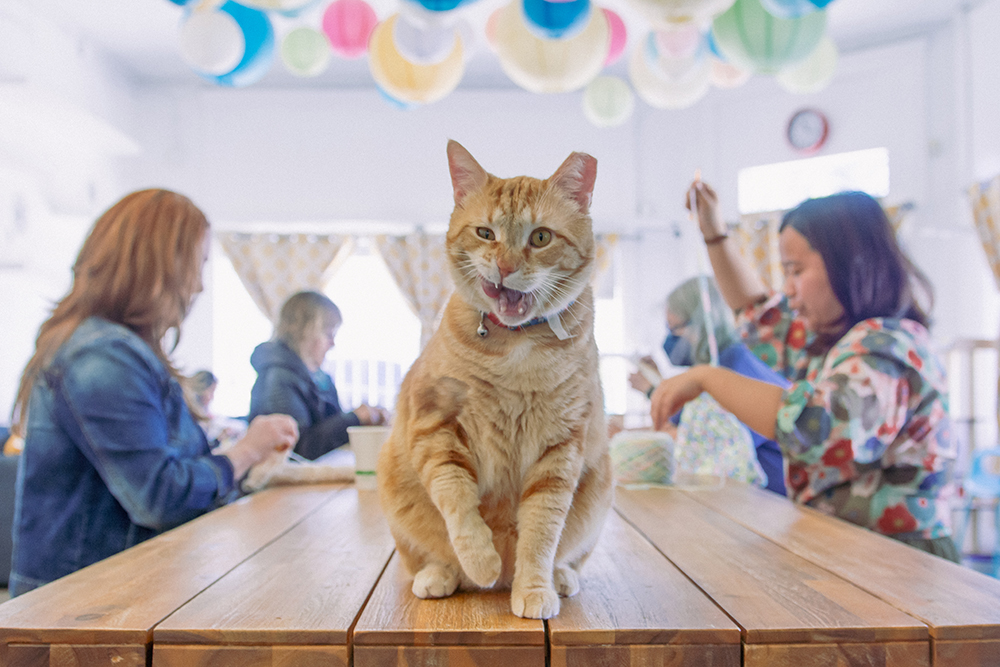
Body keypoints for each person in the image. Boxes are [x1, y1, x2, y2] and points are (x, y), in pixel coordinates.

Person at [9, 189, 299, 597]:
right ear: (161, 265)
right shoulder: (102, 356)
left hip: (100, 597)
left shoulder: (114, 349)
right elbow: (158, 497)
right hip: (81, 610)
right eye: (196, 265)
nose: (198, 285)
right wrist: (247, 450)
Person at [650, 180, 959, 561]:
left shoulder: (887, 346)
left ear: (851, 266)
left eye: (796, 271)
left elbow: (815, 428)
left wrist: (707, 377)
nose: (789, 289)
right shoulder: (833, 341)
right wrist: (713, 232)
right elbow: (757, 312)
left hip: (904, 559)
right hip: (856, 549)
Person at [629, 276, 790, 495]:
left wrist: (652, 391)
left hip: (770, 502)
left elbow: (708, 447)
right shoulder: (711, 371)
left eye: (676, 329)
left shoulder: (733, 371)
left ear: (704, 323)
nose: (671, 339)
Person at [248, 290, 389, 460]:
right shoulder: (277, 379)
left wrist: (362, 420)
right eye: (329, 335)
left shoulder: (320, 377)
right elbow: (298, 450)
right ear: (304, 332)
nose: (333, 344)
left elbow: (329, 429)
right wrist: (354, 418)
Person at [189, 369, 248, 451]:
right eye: (211, 391)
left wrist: (220, 437)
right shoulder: (191, 418)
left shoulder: (203, 414)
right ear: (201, 389)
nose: (212, 397)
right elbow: (200, 452)